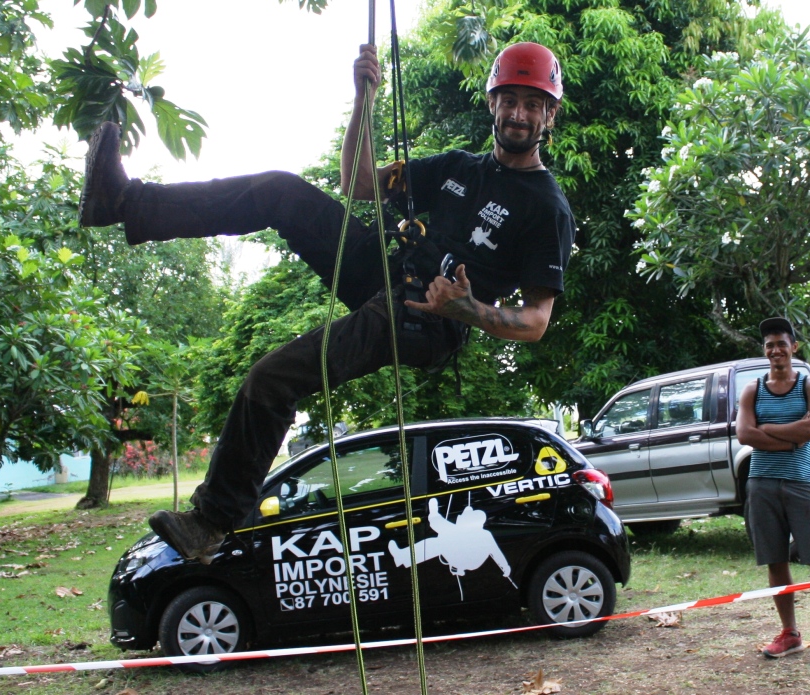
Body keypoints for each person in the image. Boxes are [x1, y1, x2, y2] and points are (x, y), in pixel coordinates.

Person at [78, 42, 576, 564]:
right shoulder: (457, 167)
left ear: (549, 115)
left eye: (533, 104)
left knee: (273, 376)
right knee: (280, 191)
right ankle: (124, 203)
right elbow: (357, 183)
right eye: (510, 99)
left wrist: (467, 309)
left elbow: (536, 321)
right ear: (493, 102)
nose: (520, 113)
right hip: (388, 273)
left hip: (427, 320)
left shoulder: (546, 207)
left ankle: (209, 523)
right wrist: (364, 98)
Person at [736, 316, 810, 658]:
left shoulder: (806, 384)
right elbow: (744, 435)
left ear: (793, 347)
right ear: (764, 351)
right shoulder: (753, 388)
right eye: (770, 345)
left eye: (782, 343)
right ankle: (789, 633)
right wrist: (788, 440)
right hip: (761, 485)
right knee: (775, 560)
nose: (776, 350)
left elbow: (809, 431)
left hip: (802, 482)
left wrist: (768, 429)